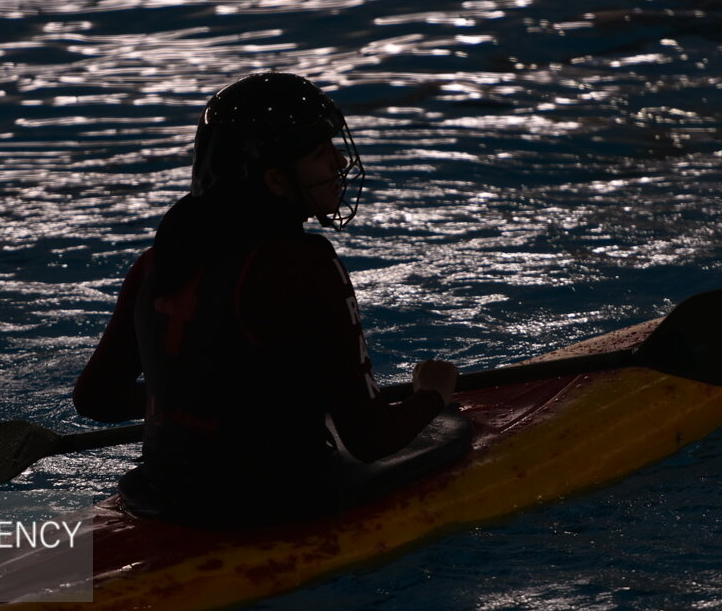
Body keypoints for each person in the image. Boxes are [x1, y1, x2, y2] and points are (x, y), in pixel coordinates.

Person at [72, 72, 462, 527]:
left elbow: (96, 400)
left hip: (161, 495)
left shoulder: (156, 260)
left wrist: (198, 403)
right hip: (273, 506)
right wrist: (433, 394)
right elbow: (370, 439)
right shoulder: (304, 265)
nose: (339, 162)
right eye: (320, 154)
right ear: (276, 181)